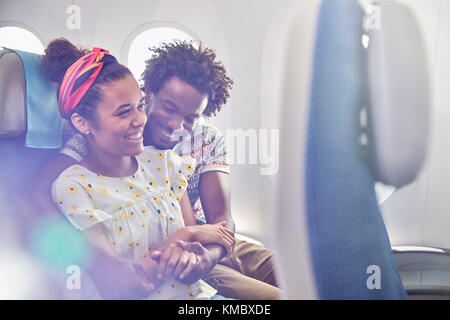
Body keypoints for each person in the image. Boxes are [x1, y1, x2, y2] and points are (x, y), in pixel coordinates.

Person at [25, 40, 281, 299]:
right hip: (174, 252)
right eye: (169, 108)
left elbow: (222, 220)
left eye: (191, 117)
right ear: (148, 95)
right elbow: (36, 195)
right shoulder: (96, 146)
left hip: (209, 239)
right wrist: (94, 261)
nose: (176, 124)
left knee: (290, 270)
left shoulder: (201, 142)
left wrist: (209, 253)